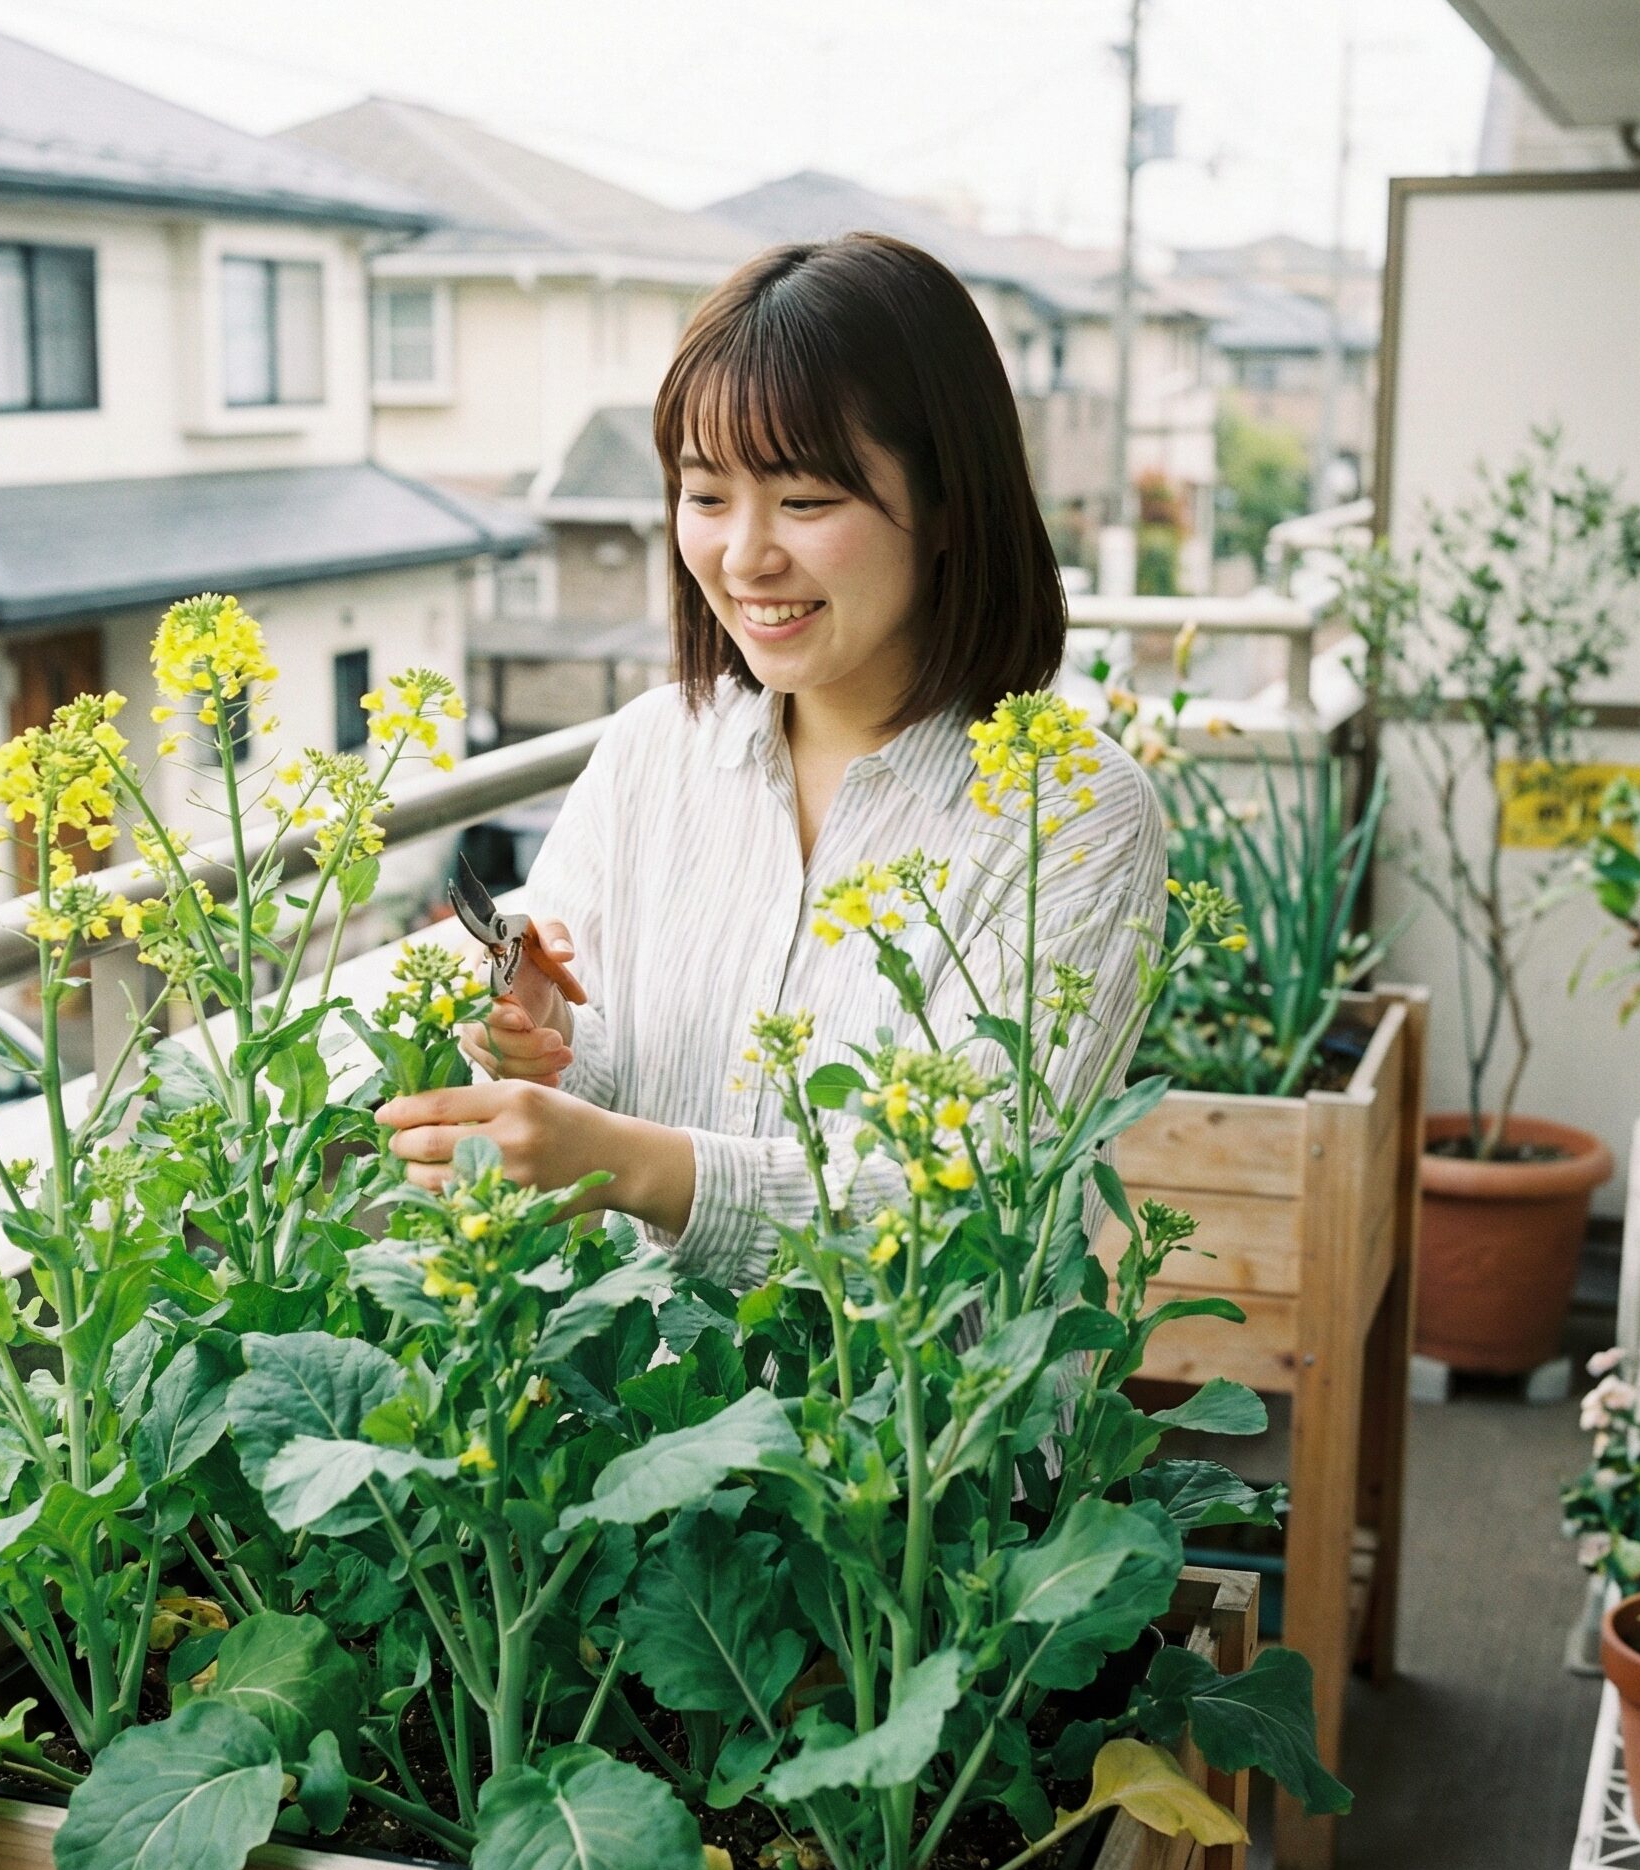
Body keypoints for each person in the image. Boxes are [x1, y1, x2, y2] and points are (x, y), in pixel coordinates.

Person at [376, 232, 1164, 1290]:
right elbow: (609, 1079)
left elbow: (976, 1203)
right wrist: (543, 1032)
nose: (744, 556)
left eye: (804, 500)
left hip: (925, 1444)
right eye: (705, 496)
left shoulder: (1072, 809)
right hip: (645, 1431)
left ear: (943, 507)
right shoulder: (650, 752)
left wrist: (620, 1160)